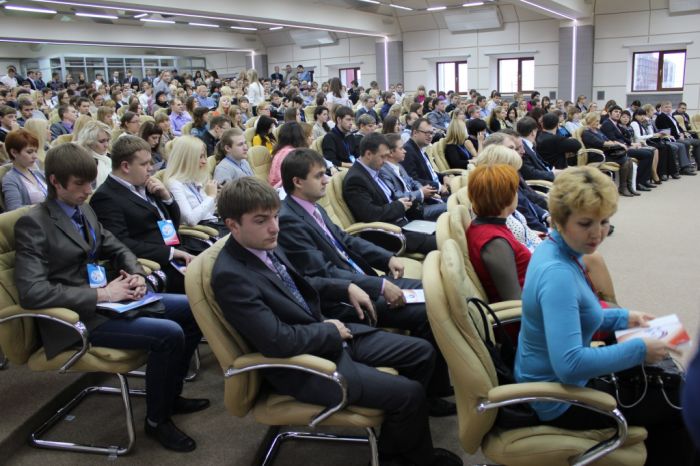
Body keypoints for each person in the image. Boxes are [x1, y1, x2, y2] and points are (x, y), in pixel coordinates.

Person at [211, 177, 462, 466]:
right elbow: (277, 341)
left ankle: (395, 445)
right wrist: (329, 330)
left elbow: (304, 283)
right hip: (303, 365)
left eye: (275, 216)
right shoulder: (232, 276)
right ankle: (414, 458)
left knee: (422, 353)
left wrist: (345, 288)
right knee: (409, 393)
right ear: (233, 225)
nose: (274, 227)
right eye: (261, 220)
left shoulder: (263, 243)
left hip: (326, 335)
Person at [14, 143, 207, 453]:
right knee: (168, 333)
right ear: (55, 182)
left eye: (91, 182)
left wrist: (137, 275)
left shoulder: (83, 208)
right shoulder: (34, 223)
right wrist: (101, 293)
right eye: (80, 184)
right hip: (76, 318)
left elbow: (117, 247)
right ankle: (157, 420)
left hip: (110, 301)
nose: (88, 190)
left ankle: (169, 396)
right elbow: (32, 291)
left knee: (193, 308)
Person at [514, 166, 696, 466]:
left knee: (668, 389)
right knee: (683, 404)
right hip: (559, 398)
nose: (598, 233)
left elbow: (578, 313)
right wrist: (640, 349)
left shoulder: (558, 250)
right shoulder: (558, 274)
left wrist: (625, 318)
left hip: (557, 382)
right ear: (559, 219)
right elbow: (570, 365)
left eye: (604, 221)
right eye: (586, 223)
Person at [90, 135, 194, 293]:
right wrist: (171, 253)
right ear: (126, 166)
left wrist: (167, 198)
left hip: (177, 253)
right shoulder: (105, 197)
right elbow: (120, 243)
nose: (150, 168)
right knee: (211, 285)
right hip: (153, 265)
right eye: (144, 164)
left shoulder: (145, 184)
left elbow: (172, 225)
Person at [343, 133, 437, 255]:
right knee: (441, 242)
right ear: (368, 154)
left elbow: (392, 197)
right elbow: (371, 215)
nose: (385, 161)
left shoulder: (374, 170)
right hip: (388, 233)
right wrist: (400, 205)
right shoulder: (356, 179)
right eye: (383, 156)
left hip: (405, 223)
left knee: (445, 231)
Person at [466, 164, 531, 302]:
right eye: (515, 191)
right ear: (506, 197)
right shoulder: (494, 243)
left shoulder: (487, 226)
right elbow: (515, 300)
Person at [163, 136, 220, 230]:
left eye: (204, 156)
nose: (204, 161)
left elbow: (209, 213)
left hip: (211, 224)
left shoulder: (193, 178)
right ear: (186, 159)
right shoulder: (174, 183)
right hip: (202, 232)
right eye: (200, 157)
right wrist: (211, 196)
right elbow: (190, 220)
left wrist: (213, 197)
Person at [581, 112, 636, 197]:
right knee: (625, 160)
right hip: (597, 156)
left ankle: (629, 186)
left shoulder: (597, 130)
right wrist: (615, 144)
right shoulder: (586, 133)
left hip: (605, 153)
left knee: (628, 160)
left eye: (598, 121)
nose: (598, 123)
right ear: (590, 121)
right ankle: (623, 187)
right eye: (596, 121)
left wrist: (613, 143)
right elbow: (601, 143)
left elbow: (607, 140)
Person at [402, 118, 451, 195]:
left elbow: (430, 173)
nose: (430, 136)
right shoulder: (407, 150)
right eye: (427, 133)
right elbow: (413, 180)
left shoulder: (420, 149)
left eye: (431, 133)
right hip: (430, 195)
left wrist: (444, 176)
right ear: (415, 133)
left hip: (438, 189)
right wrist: (439, 187)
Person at [2, 129, 47, 210]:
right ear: (14, 152)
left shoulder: (38, 173)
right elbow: (14, 210)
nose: (35, 156)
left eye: (35, 151)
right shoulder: (10, 180)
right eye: (29, 152)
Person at [268, 122, 310, 189]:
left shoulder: (280, 150)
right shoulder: (292, 153)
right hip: (283, 188)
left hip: (276, 187)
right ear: (299, 136)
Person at [76, 120, 112, 188]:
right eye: (102, 141)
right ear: (89, 142)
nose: (106, 145)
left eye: (108, 140)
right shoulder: (85, 165)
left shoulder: (109, 157)